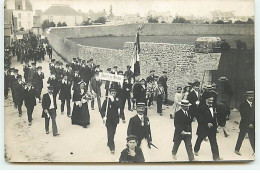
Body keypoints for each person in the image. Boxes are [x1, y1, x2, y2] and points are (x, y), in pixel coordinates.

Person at [194, 92, 222, 161]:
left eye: (212, 100)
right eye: (210, 100)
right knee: (200, 138)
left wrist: (217, 123)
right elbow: (199, 117)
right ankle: (196, 149)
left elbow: (215, 115)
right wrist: (207, 123)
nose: (211, 102)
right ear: (206, 99)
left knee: (213, 141)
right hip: (204, 127)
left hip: (212, 127)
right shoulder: (201, 107)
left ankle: (216, 157)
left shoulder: (214, 106)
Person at [100, 88, 120, 154]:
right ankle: (112, 147)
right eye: (112, 93)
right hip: (108, 119)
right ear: (110, 93)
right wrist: (103, 117)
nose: (113, 94)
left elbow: (118, 106)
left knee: (113, 132)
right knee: (110, 132)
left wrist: (113, 100)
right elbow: (102, 109)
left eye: (114, 93)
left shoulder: (117, 100)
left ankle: (109, 142)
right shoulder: (106, 101)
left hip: (115, 119)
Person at [235, 91, 255, 155]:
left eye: (252, 96)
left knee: (252, 137)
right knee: (241, 137)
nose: (251, 97)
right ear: (246, 97)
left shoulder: (255, 104)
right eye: (250, 96)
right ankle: (237, 149)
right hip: (245, 124)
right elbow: (243, 115)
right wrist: (249, 123)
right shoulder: (243, 104)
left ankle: (255, 150)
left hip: (252, 124)